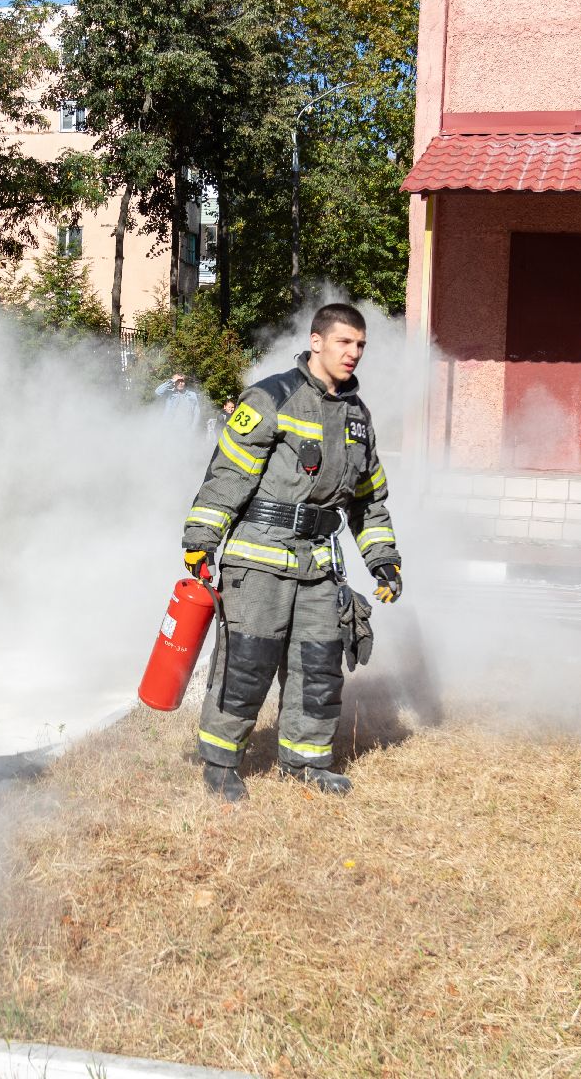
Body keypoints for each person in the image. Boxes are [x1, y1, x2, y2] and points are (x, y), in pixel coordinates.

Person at [179, 303, 401, 802]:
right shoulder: (272, 398)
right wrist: (201, 541)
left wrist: (383, 560)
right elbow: (228, 475)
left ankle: (305, 762)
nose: (354, 353)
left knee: (320, 664)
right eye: (345, 342)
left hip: (320, 563)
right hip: (259, 557)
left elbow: (369, 500)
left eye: (361, 345)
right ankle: (219, 761)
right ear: (316, 341)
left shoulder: (358, 418)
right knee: (247, 662)